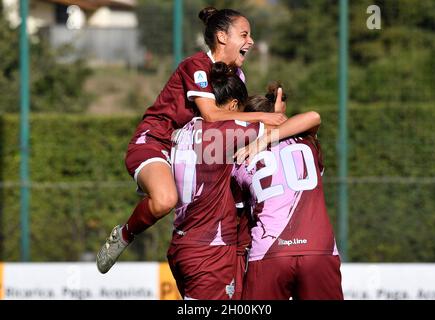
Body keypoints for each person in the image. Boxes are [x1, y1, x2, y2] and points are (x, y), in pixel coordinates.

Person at [95, 6, 287, 274]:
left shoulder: (237, 76)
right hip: (156, 141)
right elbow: (210, 115)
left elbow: (233, 121)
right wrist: (265, 120)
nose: (251, 41)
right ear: (222, 37)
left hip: (196, 150)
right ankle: (125, 235)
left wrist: (268, 118)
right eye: (244, 34)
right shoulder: (196, 65)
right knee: (164, 200)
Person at [168, 63, 321, 299]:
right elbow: (306, 119)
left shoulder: (189, 136)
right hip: (305, 249)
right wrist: (275, 117)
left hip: (196, 245)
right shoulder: (304, 147)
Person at [233, 84, 344, 300]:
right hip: (318, 249)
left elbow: (239, 214)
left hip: (269, 253)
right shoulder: (308, 143)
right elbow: (312, 117)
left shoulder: (241, 160)